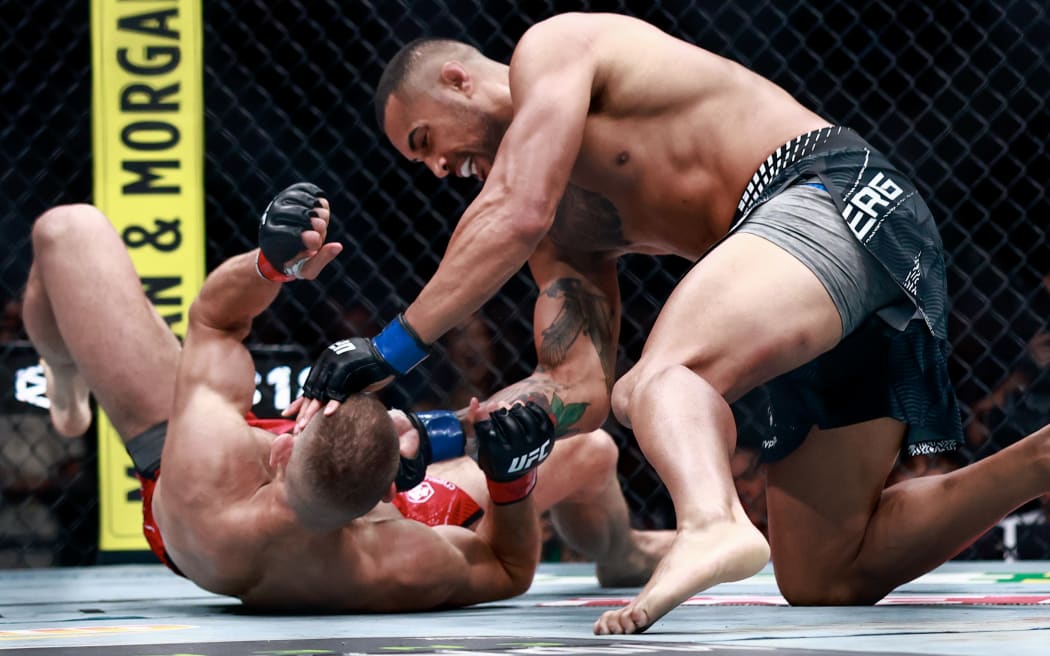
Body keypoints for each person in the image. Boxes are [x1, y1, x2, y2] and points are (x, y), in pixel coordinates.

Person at [292, 12, 1050, 633]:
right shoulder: (564, 232)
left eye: (426, 141)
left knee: (662, 378)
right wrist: (437, 433)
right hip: (823, 272)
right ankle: (1038, 462)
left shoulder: (551, 50)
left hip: (826, 194)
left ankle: (711, 524)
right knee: (827, 574)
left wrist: (389, 348)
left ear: (458, 79)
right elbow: (579, 388)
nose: (434, 170)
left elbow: (511, 210)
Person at [21, 192, 658, 613]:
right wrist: (509, 478)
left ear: (279, 446)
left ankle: (59, 366)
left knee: (65, 229)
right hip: (341, 509)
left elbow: (215, 320)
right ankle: (621, 555)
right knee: (590, 450)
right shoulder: (395, 560)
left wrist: (271, 266)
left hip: (196, 508)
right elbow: (508, 566)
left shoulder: (206, 465)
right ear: (395, 491)